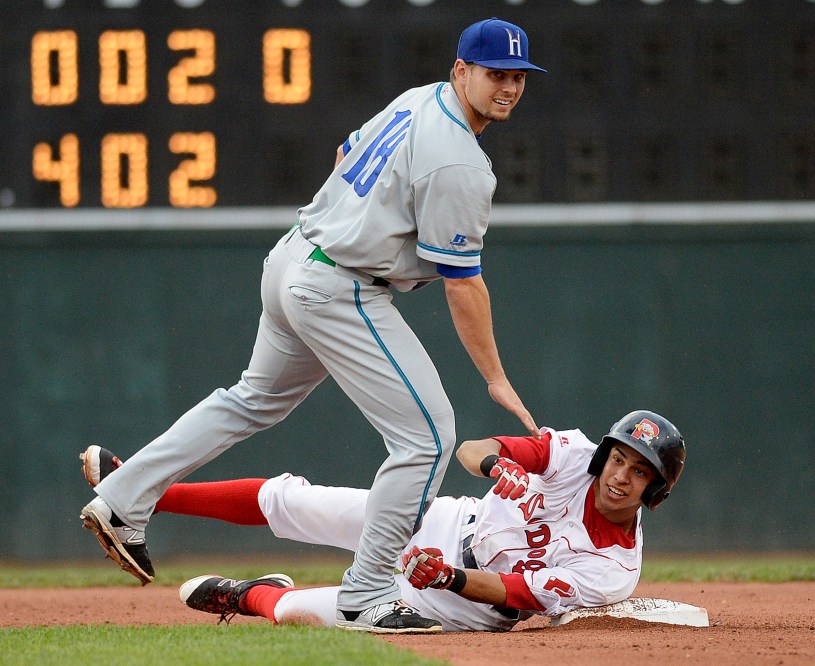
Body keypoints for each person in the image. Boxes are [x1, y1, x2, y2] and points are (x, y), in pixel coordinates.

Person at [78, 17, 544, 634]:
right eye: (495, 74)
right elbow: (462, 282)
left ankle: (120, 498)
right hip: (340, 285)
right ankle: (367, 592)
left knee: (249, 400)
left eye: (517, 76)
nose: (508, 86)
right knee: (428, 439)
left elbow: (344, 154)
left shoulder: (417, 100)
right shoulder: (461, 162)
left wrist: (358, 214)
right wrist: (495, 377)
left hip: (294, 256)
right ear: (461, 70)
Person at [79, 410, 686, 632]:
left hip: (457, 604)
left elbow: (511, 593)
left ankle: (257, 594)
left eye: (639, 472)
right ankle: (142, 490)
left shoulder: (613, 569)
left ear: (654, 491)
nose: (619, 475)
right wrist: (497, 465)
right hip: (444, 521)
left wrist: (444, 580)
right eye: (621, 458)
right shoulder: (578, 456)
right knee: (296, 500)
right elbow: (470, 447)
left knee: (301, 614)